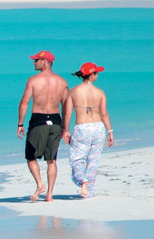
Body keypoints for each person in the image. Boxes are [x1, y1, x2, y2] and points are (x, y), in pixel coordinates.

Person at [17, 50, 69, 202]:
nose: (34, 63)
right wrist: (65, 128)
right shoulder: (62, 82)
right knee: (51, 159)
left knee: (31, 156)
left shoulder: (33, 80)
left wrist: (20, 123)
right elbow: (66, 107)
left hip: (38, 120)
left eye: (36, 60)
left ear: (44, 62)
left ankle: (40, 184)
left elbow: (24, 103)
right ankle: (50, 194)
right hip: (56, 120)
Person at [63, 62, 114, 198]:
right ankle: (89, 191)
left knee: (77, 159)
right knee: (93, 161)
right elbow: (104, 114)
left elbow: (67, 113)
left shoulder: (73, 91)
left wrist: (66, 130)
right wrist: (110, 131)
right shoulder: (100, 92)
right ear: (92, 75)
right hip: (98, 127)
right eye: (96, 72)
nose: (97, 75)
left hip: (82, 128)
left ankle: (82, 180)